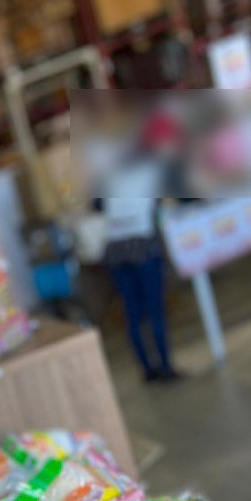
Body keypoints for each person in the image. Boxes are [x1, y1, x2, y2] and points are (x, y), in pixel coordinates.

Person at [100, 117, 180, 384]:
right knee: (155, 309)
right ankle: (165, 366)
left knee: (132, 313)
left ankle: (147, 369)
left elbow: (97, 206)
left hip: (116, 249)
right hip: (143, 246)